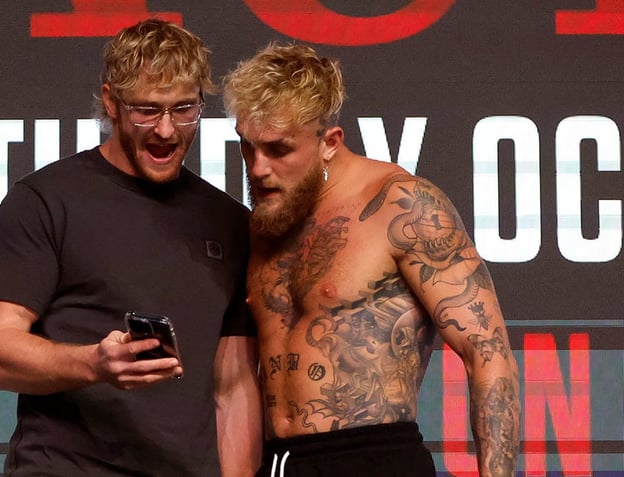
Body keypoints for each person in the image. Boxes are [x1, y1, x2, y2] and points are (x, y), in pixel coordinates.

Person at [0, 19, 261, 476]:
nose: (167, 130)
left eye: (184, 109)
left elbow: (233, 389)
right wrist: (94, 363)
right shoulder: (45, 202)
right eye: (147, 109)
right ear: (111, 102)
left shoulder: (231, 222)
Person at [222, 43, 521, 477]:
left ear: (329, 142)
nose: (258, 168)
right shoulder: (265, 224)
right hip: (279, 463)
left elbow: (488, 354)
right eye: (247, 148)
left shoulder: (401, 206)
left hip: (374, 458)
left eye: (278, 150)